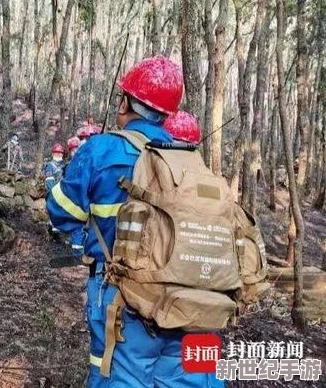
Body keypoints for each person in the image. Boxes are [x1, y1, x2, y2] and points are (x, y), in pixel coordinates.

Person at [46, 57, 223, 387]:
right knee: (194, 378)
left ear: (126, 101)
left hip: (124, 298)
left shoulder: (101, 149)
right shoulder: (191, 162)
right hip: (195, 299)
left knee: (116, 373)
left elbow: (60, 212)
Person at [44, 143, 66, 238]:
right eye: (56, 153)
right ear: (53, 154)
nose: (58, 155)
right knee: (53, 210)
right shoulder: (50, 165)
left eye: (60, 153)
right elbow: (49, 180)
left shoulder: (64, 166)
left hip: (63, 192)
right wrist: (53, 192)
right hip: (53, 191)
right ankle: (52, 230)